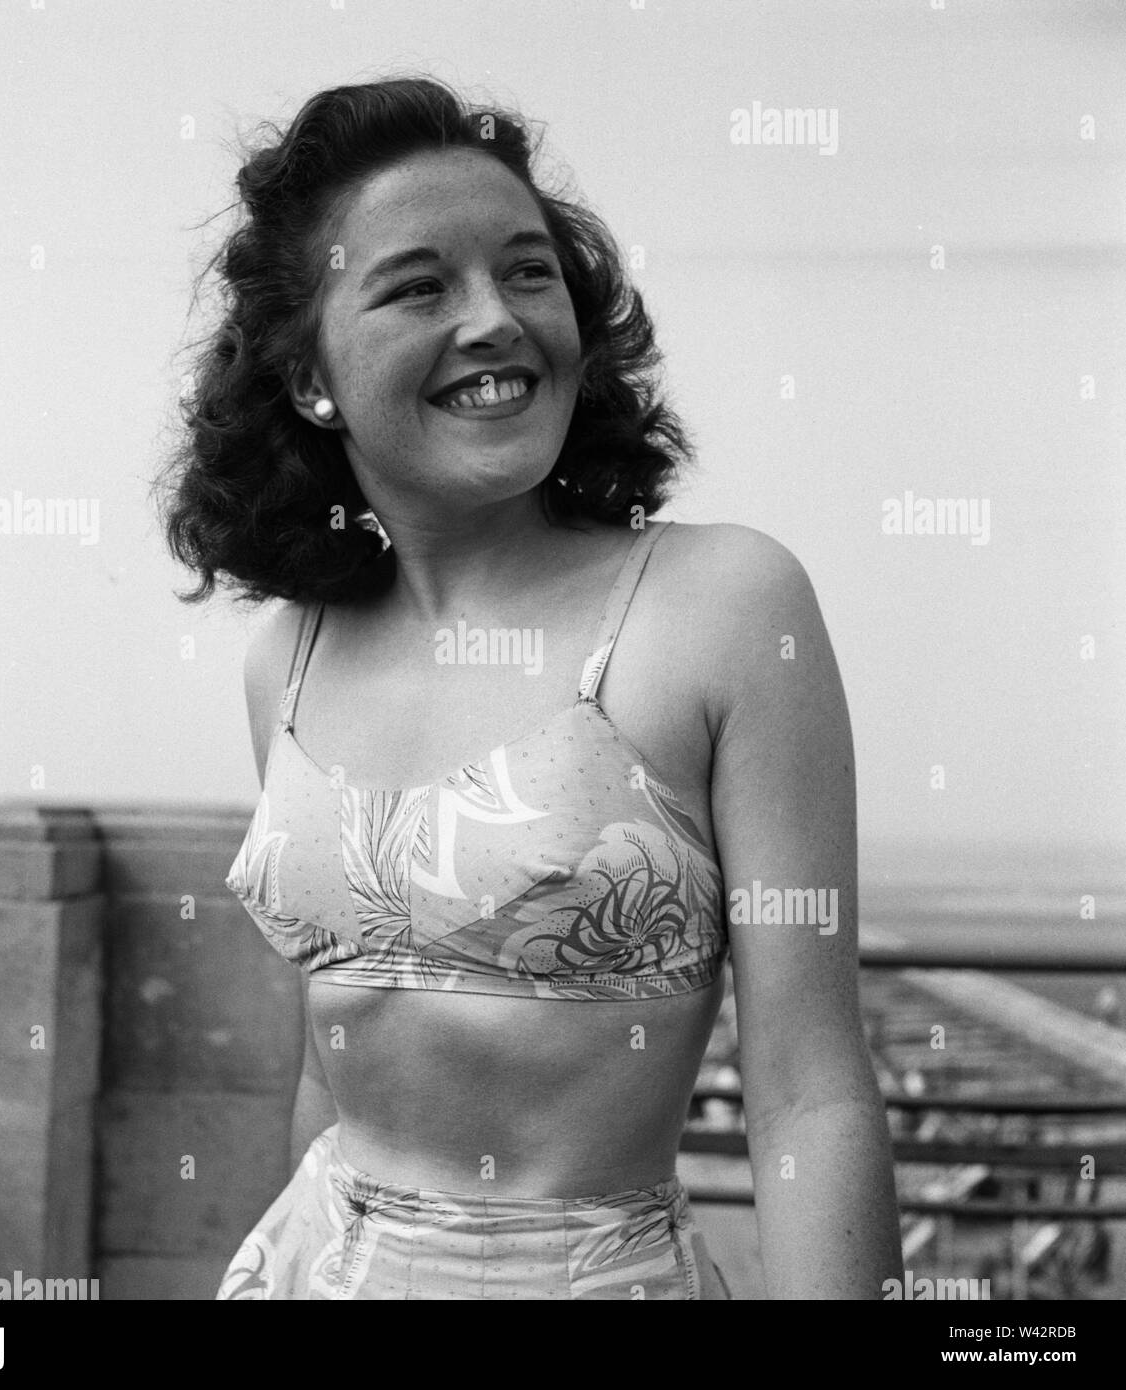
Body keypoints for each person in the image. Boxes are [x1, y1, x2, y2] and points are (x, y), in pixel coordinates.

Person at [159, 75, 902, 1299]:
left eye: (527, 272)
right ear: (310, 378)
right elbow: (327, 1066)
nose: (495, 319)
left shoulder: (719, 606)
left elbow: (808, 1088)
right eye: (418, 286)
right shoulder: (284, 658)